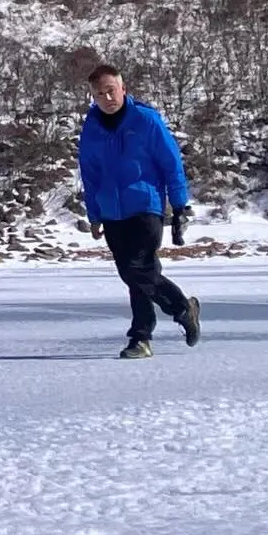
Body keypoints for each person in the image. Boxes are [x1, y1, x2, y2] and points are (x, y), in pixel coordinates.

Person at [77, 63, 201, 358]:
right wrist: (94, 214)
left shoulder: (145, 120)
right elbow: (90, 174)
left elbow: (171, 163)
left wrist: (180, 203)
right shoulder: (91, 128)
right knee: (135, 274)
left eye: (111, 91)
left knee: (137, 268)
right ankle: (174, 315)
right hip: (111, 211)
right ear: (92, 97)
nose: (107, 98)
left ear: (123, 89)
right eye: (99, 94)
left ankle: (144, 333)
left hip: (146, 206)